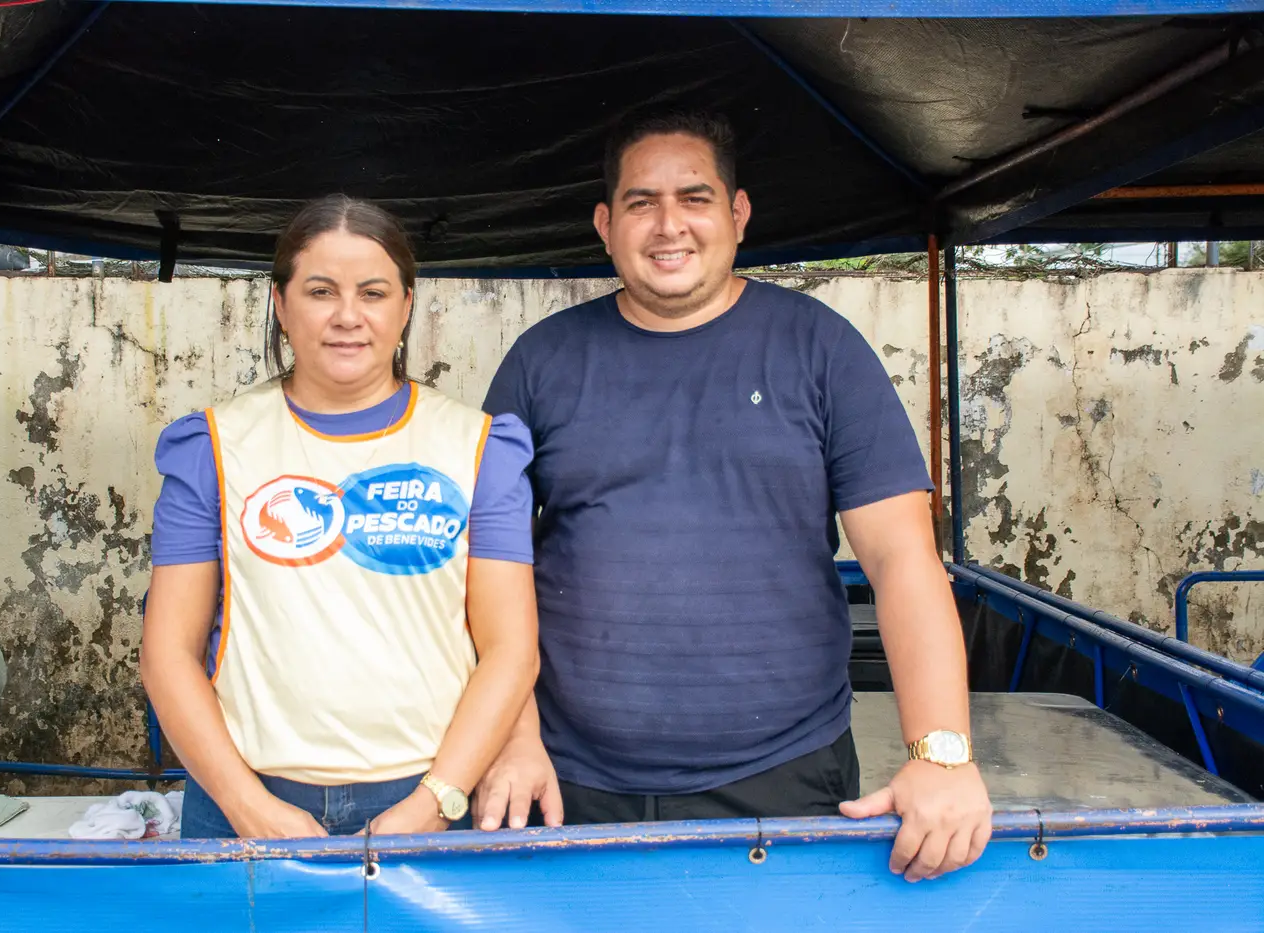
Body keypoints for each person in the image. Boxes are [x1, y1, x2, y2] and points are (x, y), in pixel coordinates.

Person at [474, 111, 993, 882]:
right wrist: (512, 738)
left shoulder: (822, 350)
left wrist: (942, 753)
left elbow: (903, 558)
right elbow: (487, 577)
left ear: (738, 214)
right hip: (562, 780)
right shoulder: (539, 362)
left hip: (783, 776)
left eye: (695, 198)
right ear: (605, 225)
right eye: (642, 202)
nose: (668, 225)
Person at [141, 195, 540, 839]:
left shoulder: (478, 447)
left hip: (428, 795)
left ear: (406, 305)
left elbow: (510, 650)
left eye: (373, 293)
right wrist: (247, 806)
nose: (348, 316)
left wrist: (436, 800)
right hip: (244, 794)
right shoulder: (212, 446)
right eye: (321, 291)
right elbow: (167, 653)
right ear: (281, 304)